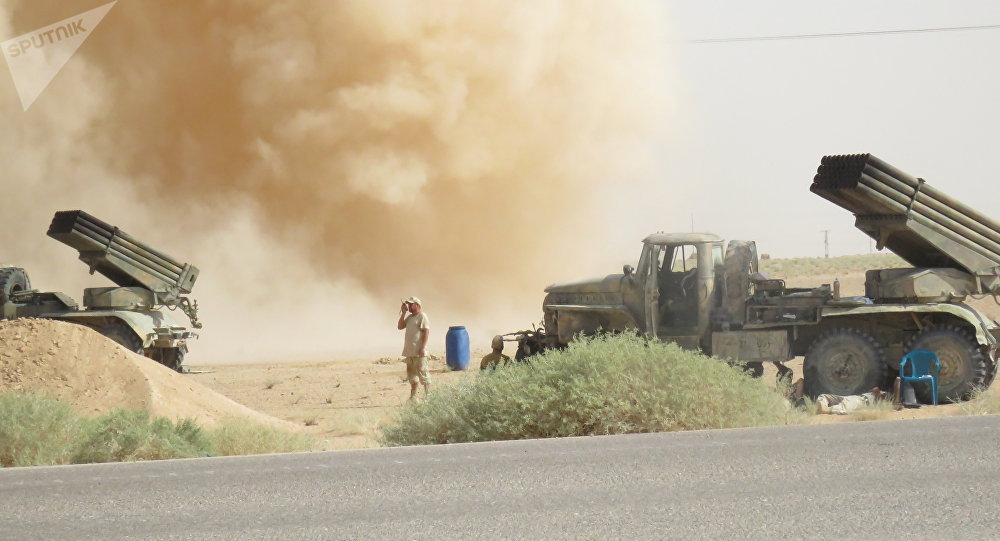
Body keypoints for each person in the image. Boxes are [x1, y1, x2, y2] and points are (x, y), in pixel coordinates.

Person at [397, 296, 430, 400]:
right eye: (408, 304)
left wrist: (422, 348)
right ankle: (413, 397)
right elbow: (400, 326)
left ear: (417, 305)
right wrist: (403, 313)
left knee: (424, 374)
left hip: (419, 353)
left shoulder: (422, 316)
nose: (409, 306)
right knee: (412, 376)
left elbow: (426, 332)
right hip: (410, 352)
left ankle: (429, 397)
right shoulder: (410, 317)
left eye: (411, 304)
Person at [815, 387, 891, 415]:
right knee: (824, 396)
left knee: (843, 408)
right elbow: (875, 389)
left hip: (859, 403)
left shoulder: (884, 402)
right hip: (856, 398)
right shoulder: (880, 394)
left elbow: (878, 392)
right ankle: (822, 406)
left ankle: (827, 410)